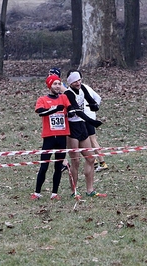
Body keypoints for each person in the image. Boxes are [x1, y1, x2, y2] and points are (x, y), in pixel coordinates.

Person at [64, 71, 106, 199]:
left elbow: (91, 101)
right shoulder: (68, 93)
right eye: (75, 81)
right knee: (75, 161)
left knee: (91, 158)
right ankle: (74, 191)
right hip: (72, 128)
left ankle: (90, 190)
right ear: (70, 82)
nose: (78, 83)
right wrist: (92, 121)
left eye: (80, 80)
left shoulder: (82, 89)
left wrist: (94, 106)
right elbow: (77, 110)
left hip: (82, 126)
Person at [31, 74, 71, 200]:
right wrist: (54, 110)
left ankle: (54, 193)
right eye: (55, 84)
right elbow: (40, 112)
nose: (58, 86)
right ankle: (37, 192)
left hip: (61, 137)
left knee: (58, 167)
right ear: (49, 85)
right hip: (48, 137)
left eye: (59, 84)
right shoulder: (42, 99)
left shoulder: (64, 98)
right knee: (44, 166)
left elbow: (71, 109)